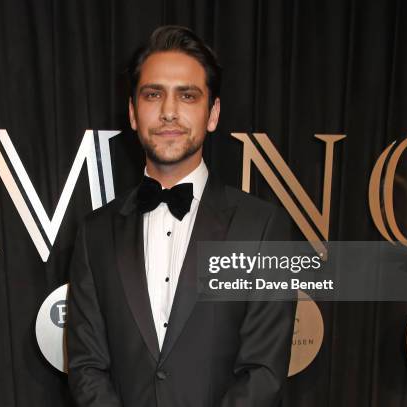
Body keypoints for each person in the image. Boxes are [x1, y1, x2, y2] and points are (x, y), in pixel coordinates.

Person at [67, 25, 296, 407]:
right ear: (133, 113)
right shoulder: (95, 233)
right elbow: (87, 366)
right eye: (153, 94)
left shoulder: (262, 227)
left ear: (213, 113)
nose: (169, 112)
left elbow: (264, 371)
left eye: (187, 96)